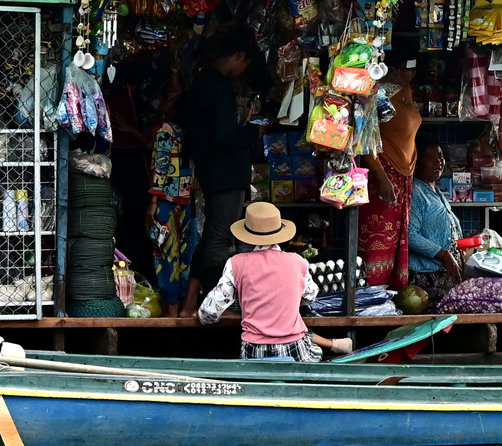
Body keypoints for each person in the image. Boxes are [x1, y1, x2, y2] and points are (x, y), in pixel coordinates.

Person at [197, 202, 350, 361]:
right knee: (313, 348)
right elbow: (310, 296)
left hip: (254, 352)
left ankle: (335, 344)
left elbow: (211, 310)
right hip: (292, 349)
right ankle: (335, 344)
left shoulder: (235, 263)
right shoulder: (298, 261)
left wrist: (202, 316)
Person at [180, 30, 256, 309]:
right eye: (245, 64)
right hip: (225, 174)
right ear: (238, 56)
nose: (243, 70)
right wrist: (252, 132)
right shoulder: (217, 85)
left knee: (212, 236)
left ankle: (190, 304)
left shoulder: (202, 83)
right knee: (219, 241)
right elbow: (224, 136)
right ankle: (215, 303)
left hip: (212, 172)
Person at [360, 58, 421, 287]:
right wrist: (381, 176)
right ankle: (370, 291)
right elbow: (365, 138)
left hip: (403, 175)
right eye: (405, 69)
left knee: (396, 238)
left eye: (413, 70)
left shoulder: (406, 89)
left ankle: (392, 293)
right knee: (376, 237)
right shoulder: (377, 93)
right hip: (383, 174)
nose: (409, 75)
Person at [145, 114, 197, 317]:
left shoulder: (167, 130)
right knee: (186, 255)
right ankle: (184, 304)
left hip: (166, 202)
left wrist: (153, 203)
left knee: (165, 253)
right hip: (187, 202)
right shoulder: (193, 130)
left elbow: (161, 166)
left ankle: (172, 306)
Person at [407, 142, 464, 303]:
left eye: (440, 157)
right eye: (431, 158)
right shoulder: (416, 192)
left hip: (444, 274)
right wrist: (445, 256)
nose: (438, 162)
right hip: (427, 275)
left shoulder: (436, 190)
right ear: (417, 164)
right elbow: (410, 235)